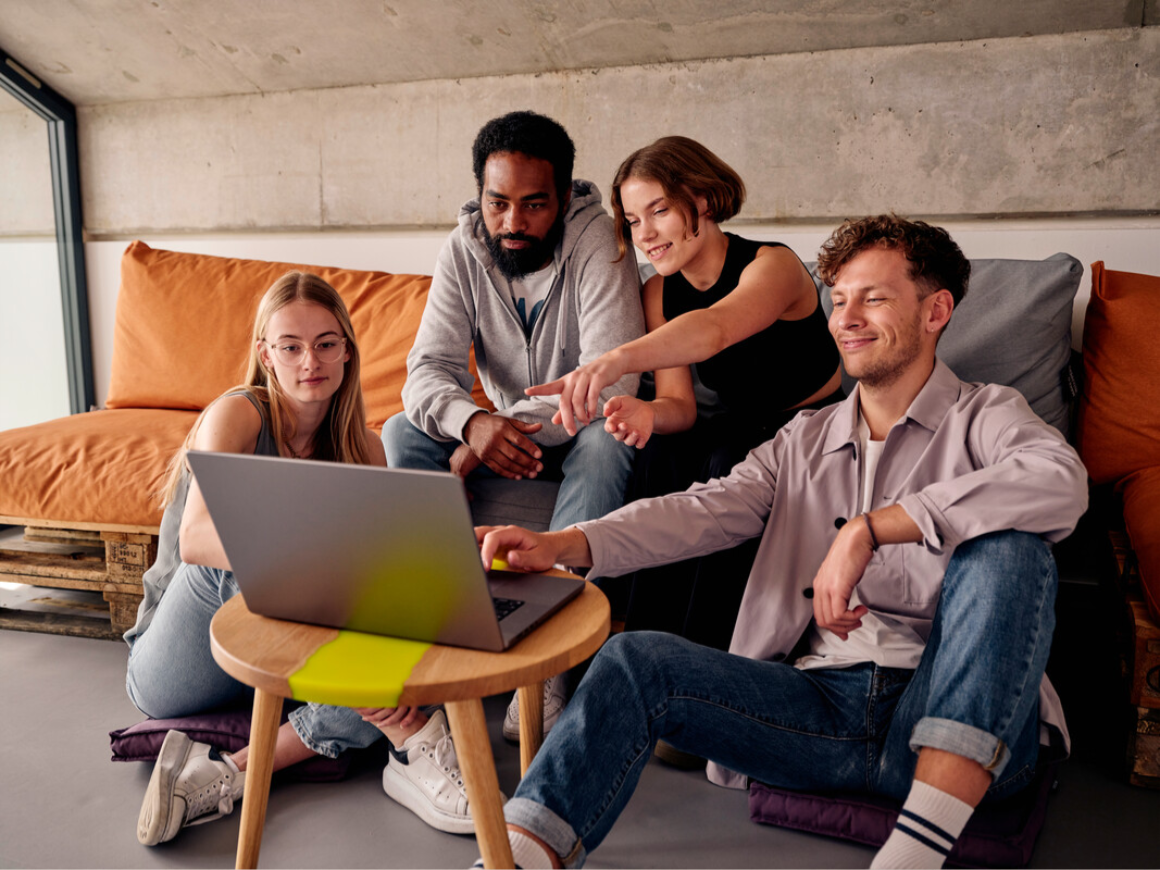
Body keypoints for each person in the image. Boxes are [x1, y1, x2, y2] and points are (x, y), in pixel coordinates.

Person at [475, 215, 1088, 870]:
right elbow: (701, 510)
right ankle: (517, 859)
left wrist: (874, 526)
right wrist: (562, 543)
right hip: (816, 713)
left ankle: (917, 847)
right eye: (839, 299)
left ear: (936, 310)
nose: (846, 318)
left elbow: (1059, 482)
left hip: (954, 710)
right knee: (633, 660)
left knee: (1010, 549)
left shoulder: (987, 413)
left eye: (873, 298)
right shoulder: (803, 439)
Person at [125, 272, 479, 846]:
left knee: (397, 627)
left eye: (324, 343)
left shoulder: (365, 448)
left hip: (281, 658)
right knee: (236, 566)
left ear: (347, 351)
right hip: (179, 663)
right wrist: (320, 565)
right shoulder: (238, 414)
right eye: (289, 346)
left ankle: (225, 776)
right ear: (265, 354)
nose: (308, 360)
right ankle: (413, 739)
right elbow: (196, 541)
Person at [380, 110, 645, 741]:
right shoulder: (463, 248)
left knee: (607, 437)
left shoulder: (600, 244)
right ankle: (436, 609)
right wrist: (471, 423)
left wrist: (503, 427)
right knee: (401, 432)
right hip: (498, 432)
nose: (514, 222)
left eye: (533, 205)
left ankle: (549, 662)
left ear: (563, 197)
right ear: (479, 197)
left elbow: (610, 380)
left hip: (575, 430)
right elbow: (426, 372)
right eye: (498, 203)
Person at [527, 136, 843, 652]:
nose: (645, 234)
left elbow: (715, 329)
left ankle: (708, 655)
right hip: (742, 425)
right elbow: (680, 406)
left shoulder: (773, 266)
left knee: (726, 457)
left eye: (659, 211)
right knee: (659, 457)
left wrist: (613, 361)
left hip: (813, 427)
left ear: (701, 200)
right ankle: (644, 649)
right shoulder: (659, 292)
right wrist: (645, 413)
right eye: (632, 220)